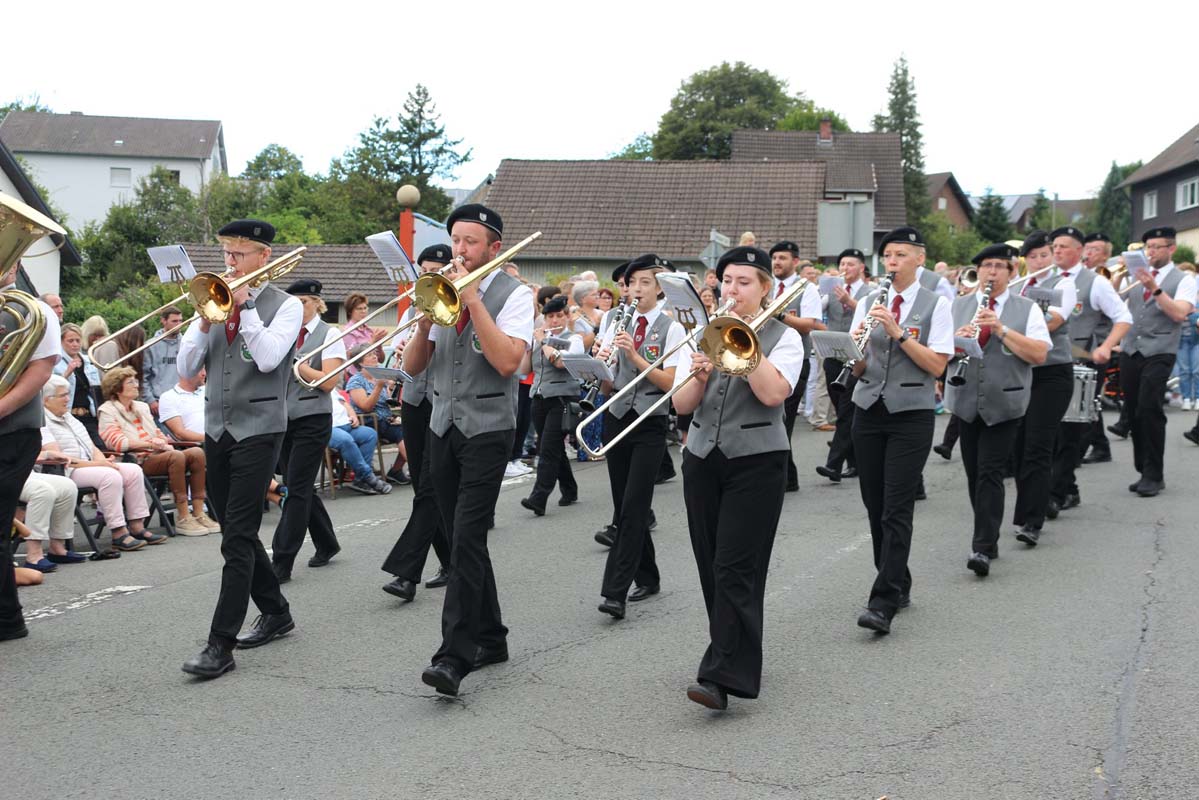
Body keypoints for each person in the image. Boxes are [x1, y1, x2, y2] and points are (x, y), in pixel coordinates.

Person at [402, 203, 534, 697]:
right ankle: (493, 637)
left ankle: (453, 656)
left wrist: (474, 301)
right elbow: (415, 367)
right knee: (462, 539)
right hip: (442, 425)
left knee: (467, 536)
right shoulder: (440, 292)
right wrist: (421, 323)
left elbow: (507, 364)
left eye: (470, 243)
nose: (459, 251)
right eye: (456, 240)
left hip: (488, 428)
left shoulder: (515, 295)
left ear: (494, 249)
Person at [671, 246, 803, 710]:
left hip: (757, 460)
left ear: (766, 288)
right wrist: (699, 375)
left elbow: (773, 394)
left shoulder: (785, 338)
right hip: (703, 456)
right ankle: (731, 651)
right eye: (727, 281)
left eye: (744, 282)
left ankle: (722, 674)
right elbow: (682, 406)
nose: (733, 290)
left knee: (736, 567)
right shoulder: (702, 334)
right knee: (711, 563)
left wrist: (741, 348)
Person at [176, 219, 302, 679]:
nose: (230, 263)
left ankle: (219, 644)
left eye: (240, 254)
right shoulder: (213, 301)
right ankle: (276, 610)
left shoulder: (285, 306)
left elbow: (268, 358)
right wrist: (199, 320)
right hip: (217, 429)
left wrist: (245, 309)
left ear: (263, 257)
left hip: (261, 428)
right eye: (227, 254)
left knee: (235, 537)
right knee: (240, 532)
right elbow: (187, 372)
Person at [848, 226, 953, 634]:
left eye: (900, 255)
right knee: (875, 505)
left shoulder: (936, 305)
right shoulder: (867, 301)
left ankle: (884, 599)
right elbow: (859, 365)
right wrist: (849, 353)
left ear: (919, 260)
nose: (891, 262)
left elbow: (937, 365)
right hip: (868, 407)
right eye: (887, 255)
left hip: (911, 412)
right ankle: (898, 578)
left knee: (897, 507)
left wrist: (898, 332)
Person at [944, 244, 1049, 577]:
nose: (991, 272)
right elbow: (936, 353)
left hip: (1005, 402)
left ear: (1011, 271)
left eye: (999, 266)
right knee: (975, 474)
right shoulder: (956, 305)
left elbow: (1038, 355)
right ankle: (986, 535)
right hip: (965, 400)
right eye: (986, 266)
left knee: (990, 473)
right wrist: (954, 341)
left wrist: (1001, 328)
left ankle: (983, 547)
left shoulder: (1027, 308)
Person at [593, 253, 686, 621]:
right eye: (632, 283)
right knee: (624, 504)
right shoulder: (614, 320)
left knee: (633, 508)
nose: (635, 290)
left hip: (649, 422)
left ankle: (614, 592)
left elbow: (671, 384)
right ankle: (649, 575)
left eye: (645, 282)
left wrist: (636, 357)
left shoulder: (673, 327)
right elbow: (606, 382)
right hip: (617, 416)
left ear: (660, 288)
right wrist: (600, 363)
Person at [382, 244, 453, 602]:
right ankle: (452, 562)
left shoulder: (454, 306)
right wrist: (402, 347)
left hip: (442, 401)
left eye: (436, 271)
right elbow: (401, 349)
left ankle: (406, 572)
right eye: (423, 271)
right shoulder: (412, 308)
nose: (428, 277)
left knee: (428, 486)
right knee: (425, 488)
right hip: (413, 400)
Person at [1047, 233, 1132, 505]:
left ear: (1079, 251)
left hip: (1079, 363)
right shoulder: (1045, 279)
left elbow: (1123, 317)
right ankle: (1067, 487)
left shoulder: (1094, 282)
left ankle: (1057, 493)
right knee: (1050, 430)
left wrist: (1106, 346)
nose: (1057, 251)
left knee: (1070, 430)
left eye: (1063, 247)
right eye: (1055, 247)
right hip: (1045, 362)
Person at [270, 279, 346, 584]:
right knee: (297, 484)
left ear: (317, 303)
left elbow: (330, 381)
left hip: (313, 417)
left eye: (303, 302)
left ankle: (281, 560)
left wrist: (299, 367)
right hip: (284, 417)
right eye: (294, 303)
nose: (298, 308)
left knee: (296, 488)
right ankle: (327, 542)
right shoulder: (284, 332)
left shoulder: (330, 333)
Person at [41, 374, 161, 551]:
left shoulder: (69, 417)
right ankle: (118, 532)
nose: (68, 399)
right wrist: (101, 465)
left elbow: (91, 446)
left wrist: (103, 460)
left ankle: (137, 526)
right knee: (108, 475)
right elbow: (59, 459)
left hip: (88, 466)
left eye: (67, 394)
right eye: (62, 396)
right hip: (65, 471)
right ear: (46, 400)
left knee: (132, 470)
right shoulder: (43, 422)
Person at [1010, 230, 1077, 545]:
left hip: (1052, 373)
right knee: (1019, 446)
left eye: (1044, 255)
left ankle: (1032, 522)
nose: (1039, 261)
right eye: (1033, 257)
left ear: (1052, 256)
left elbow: (1054, 321)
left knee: (1038, 446)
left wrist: (1012, 327)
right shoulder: (1020, 285)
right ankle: (1027, 511)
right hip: (1021, 371)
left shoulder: (1063, 283)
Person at [1122, 227, 1196, 497]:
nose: (1150, 252)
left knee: (1149, 409)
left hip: (1161, 349)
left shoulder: (1184, 279)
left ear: (1171, 249)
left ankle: (1155, 474)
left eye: (1156, 247)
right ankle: (1143, 469)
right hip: (1131, 349)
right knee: (1132, 410)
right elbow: (1117, 307)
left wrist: (1154, 288)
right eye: (1147, 247)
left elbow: (1178, 314)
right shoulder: (1132, 276)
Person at [98, 366, 213, 536]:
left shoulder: (142, 407)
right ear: (117, 388)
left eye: (136, 381)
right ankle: (183, 516)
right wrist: (151, 444)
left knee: (196, 453)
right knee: (176, 456)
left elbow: (158, 434)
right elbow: (117, 442)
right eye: (131, 382)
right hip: (137, 459)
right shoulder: (107, 411)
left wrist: (163, 442)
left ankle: (198, 512)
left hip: (160, 455)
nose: (136, 385)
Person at [519, 295, 582, 516]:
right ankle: (570, 488)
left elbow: (561, 362)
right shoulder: (540, 338)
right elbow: (525, 369)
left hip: (562, 398)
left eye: (558, 316)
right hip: (539, 397)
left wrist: (545, 343)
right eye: (550, 317)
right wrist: (531, 346)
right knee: (553, 447)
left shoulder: (573, 339)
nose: (554, 321)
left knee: (547, 448)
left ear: (566, 317)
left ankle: (539, 498)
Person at [769, 241, 824, 492]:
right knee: (773, 420)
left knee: (784, 421)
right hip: (765, 358)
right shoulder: (766, 285)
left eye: (782, 258)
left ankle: (782, 477)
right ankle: (787, 477)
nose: (777, 262)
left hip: (794, 360)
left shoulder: (806, 289)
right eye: (774, 258)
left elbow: (809, 325)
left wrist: (777, 314)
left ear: (795, 261)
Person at [817, 249, 872, 482]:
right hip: (833, 353)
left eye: (850, 264)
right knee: (842, 410)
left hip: (856, 355)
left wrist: (849, 301)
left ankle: (834, 465)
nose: (845, 268)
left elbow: (872, 314)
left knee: (847, 410)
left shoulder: (871, 291)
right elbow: (817, 311)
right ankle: (856, 462)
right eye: (842, 263)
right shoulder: (832, 289)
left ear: (861, 268)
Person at [1080, 232, 1119, 461]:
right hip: (1080, 342)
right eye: (1087, 248)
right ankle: (1099, 445)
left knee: (1089, 397)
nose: (1088, 253)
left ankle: (1088, 446)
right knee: (1087, 397)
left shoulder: (1107, 276)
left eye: (1094, 249)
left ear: (1104, 255)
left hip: (1098, 342)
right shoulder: (1080, 275)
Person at [346, 345, 408, 482]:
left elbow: (388, 401)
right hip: (369, 421)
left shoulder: (378, 377)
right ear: (360, 362)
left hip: (385, 419)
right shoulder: (355, 381)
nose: (375, 356)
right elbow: (366, 407)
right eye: (369, 355)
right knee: (404, 432)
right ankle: (415, 470)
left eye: (374, 353)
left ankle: (397, 470)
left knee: (411, 429)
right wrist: (379, 386)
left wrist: (391, 386)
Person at [18, 471, 83, 571]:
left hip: (23, 471)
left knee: (67, 486)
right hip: (7, 474)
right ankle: (34, 555)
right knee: (42, 491)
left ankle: (57, 547)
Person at [328, 388, 388, 494]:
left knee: (370, 434)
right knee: (346, 440)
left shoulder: (328, 385)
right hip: (328, 428)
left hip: (346, 425)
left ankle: (360, 479)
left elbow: (344, 403)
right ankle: (368, 477)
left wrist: (353, 415)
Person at [54, 322, 103, 447]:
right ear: (61, 342)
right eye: (70, 341)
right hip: (69, 414)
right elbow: (52, 389)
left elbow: (96, 390)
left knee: (100, 447)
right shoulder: (56, 363)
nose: (75, 344)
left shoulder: (88, 362)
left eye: (77, 340)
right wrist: (67, 374)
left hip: (89, 414)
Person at [142, 306, 184, 419]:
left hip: (183, 399)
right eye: (174, 321)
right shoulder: (150, 345)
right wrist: (150, 400)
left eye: (181, 321)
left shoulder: (186, 343)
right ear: (163, 321)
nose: (179, 324)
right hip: (159, 401)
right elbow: (142, 376)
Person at [157, 368, 207, 443]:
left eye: (204, 369)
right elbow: (180, 433)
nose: (204, 374)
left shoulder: (209, 390)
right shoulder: (168, 397)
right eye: (200, 370)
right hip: (200, 445)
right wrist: (212, 441)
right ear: (186, 372)